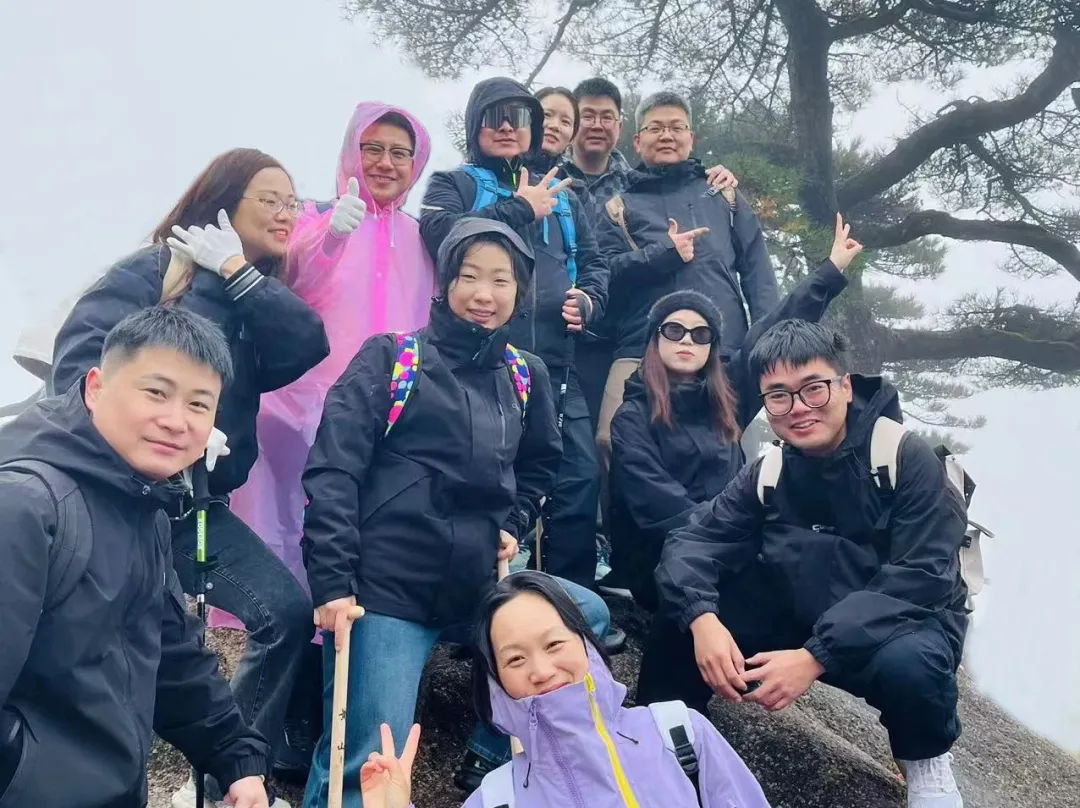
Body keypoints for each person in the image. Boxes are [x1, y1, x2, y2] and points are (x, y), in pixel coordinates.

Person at [50, 148, 330, 808]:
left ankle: (229, 781)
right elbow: (78, 368)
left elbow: (307, 343)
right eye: (271, 199)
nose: (287, 214)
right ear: (223, 200)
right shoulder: (155, 271)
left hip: (201, 508)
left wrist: (235, 272)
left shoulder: (251, 293)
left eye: (293, 202)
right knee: (145, 649)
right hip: (124, 500)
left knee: (284, 614)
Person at [300, 218, 613, 808]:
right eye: (469, 276)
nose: (483, 294)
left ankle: (491, 752)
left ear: (520, 292)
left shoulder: (525, 374)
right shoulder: (392, 357)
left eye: (501, 280)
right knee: (368, 757)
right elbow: (333, 471)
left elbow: (540, 465)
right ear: (444, 283)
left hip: (479, 587)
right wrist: (333, 582)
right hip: (388, 590)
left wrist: (512, 524)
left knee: (587, 612)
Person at [644, 319, 969, 808]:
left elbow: (919, 578)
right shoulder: (771, 468)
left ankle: (925, 761)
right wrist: (702, 618)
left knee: (913, 667)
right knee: (682, 610)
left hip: (889, 626)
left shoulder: (904, 458)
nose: (798, 408)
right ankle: (667, 731)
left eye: (813, 388)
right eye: (778, 396)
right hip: (798, 607)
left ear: (845, 385)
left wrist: (816, 656)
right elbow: (694, 541)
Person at [223, 104, 435, 780]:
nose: (385, 162)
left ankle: (329, 704)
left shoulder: (423, 238)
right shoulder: (315, 218)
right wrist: (330, 240)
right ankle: (286, 714)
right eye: (373, 147)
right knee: (293, 551)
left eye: (400, 151)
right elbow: (290, 286)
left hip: (381, 419)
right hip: (300, 412)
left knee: (352, 554)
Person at [0, 306, 271, 808]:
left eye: (199, 404)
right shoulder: (25, 505)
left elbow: (168, 650)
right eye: (156, 393)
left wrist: (234, 756)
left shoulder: (143, 505)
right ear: (96, 386)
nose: (175, 421)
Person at [419, 76, 608, 596]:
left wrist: (589, 300)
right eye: (494, 117)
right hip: (474, 364)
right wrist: (520, 208)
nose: (507, 127)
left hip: (557, 365)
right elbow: (442, 237)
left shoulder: (563, 194)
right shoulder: (451, 184)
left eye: (519, 118)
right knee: (484, 477)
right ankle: (475, 601)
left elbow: (595, 264)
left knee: (577, 480)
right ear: (474, 125)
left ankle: (568, 606)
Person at [608, 216, 858, 609]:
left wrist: (829, 272)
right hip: (667, 558)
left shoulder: (727, 397)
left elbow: (771, 329)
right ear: (654, 341)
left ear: (712, 347)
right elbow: (660, 507)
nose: (687, 340)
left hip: (732, 546)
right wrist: (741, 540)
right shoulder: (631, 418)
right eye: (673, 331)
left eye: (701, 334)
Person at [593, 90, 780, 503]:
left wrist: (769, 339)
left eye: (676, 127)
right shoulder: (617, 207)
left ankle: (719, 533)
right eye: (655, 128)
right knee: (609, 440)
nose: (667, 135)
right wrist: (663, 254)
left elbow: (757, 270)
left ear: (691, 138)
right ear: (637, 141)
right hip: (639, 349)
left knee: (726, 451)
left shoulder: (724, 196)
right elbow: (605, 276)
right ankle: (622, 537)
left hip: (722, 350)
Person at [457, 570, 772, 807]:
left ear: (588, 643)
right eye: (515, 659)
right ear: (494, 681)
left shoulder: (681, 734)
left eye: (553, 644)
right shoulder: (495, 799)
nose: (541, 671)